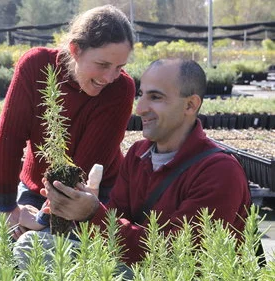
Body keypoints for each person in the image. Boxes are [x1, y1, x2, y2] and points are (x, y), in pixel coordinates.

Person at [25, 58, 252, 265]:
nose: (140, 108)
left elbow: (175, 258)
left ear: (190, 105)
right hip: (134, 267)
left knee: (32, 248)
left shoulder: (219, 172)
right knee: (32, 244)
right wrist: (71, 208)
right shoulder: (138, 154)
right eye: (141, 95)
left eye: (155, 97)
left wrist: (92, 213)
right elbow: (112, 228)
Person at [0, 4, 136, 263]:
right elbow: (9, 137)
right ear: (75, 50)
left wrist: (41, 220)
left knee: (65, 265)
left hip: (91, 194)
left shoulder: (121, 89)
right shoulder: (35, 66)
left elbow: (83, 167)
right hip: (33, 187)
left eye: (120, 66)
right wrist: (10, 209)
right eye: (103, 64)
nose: (111, 77)